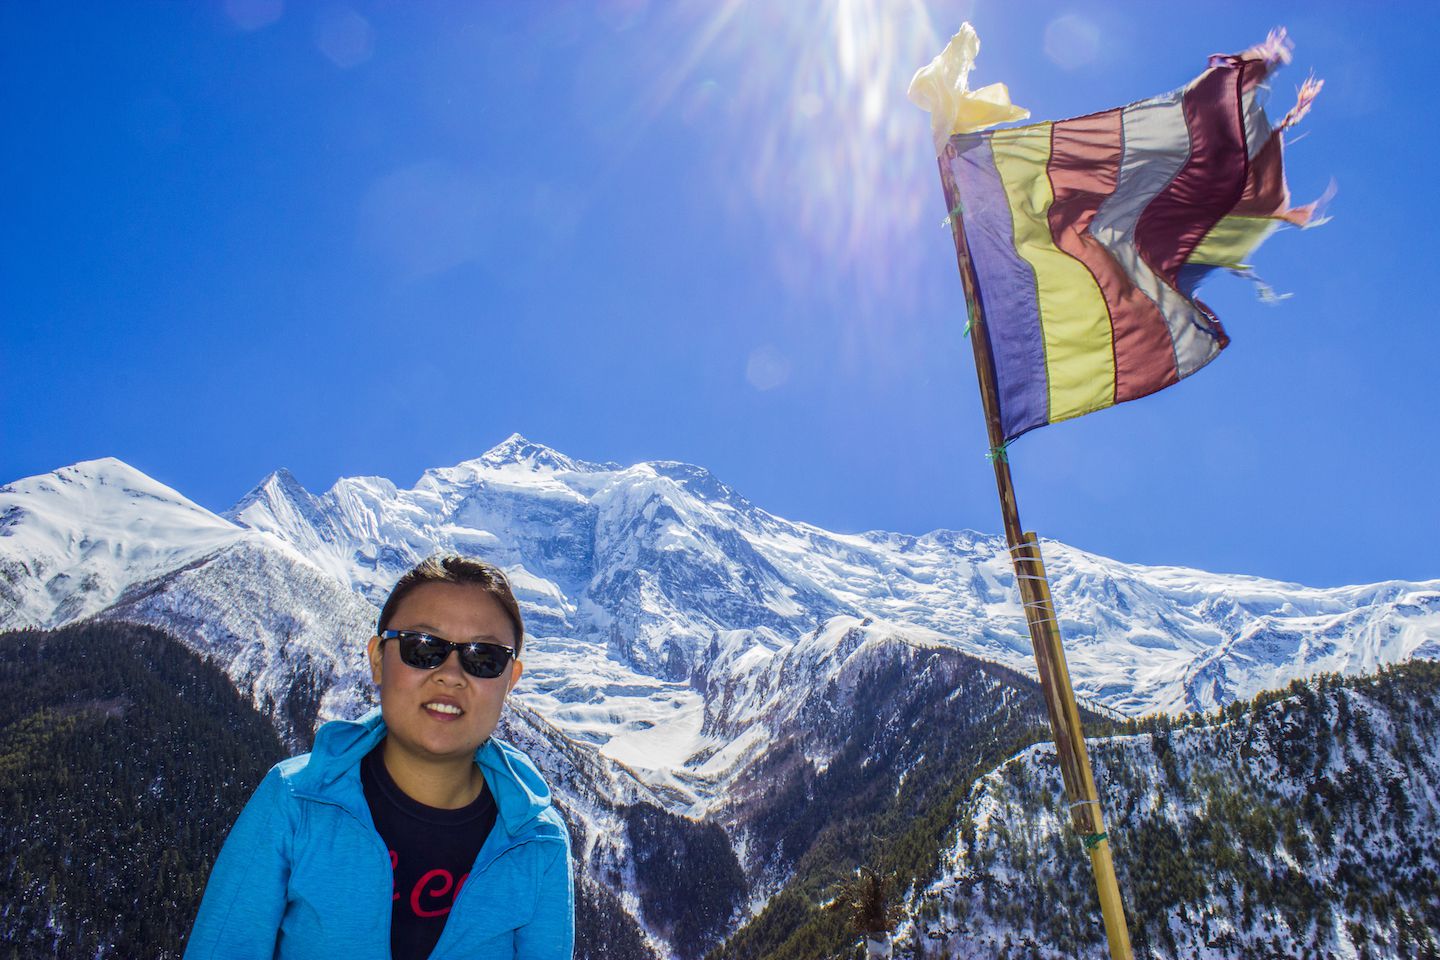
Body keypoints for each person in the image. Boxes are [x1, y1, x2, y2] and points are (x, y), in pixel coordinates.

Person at [185, 555, 573, 959]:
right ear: (377, 660)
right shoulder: (295, 801)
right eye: (423, 647)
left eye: (484, 658)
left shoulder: (539, 842)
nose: (451, 674)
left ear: (510, 680)